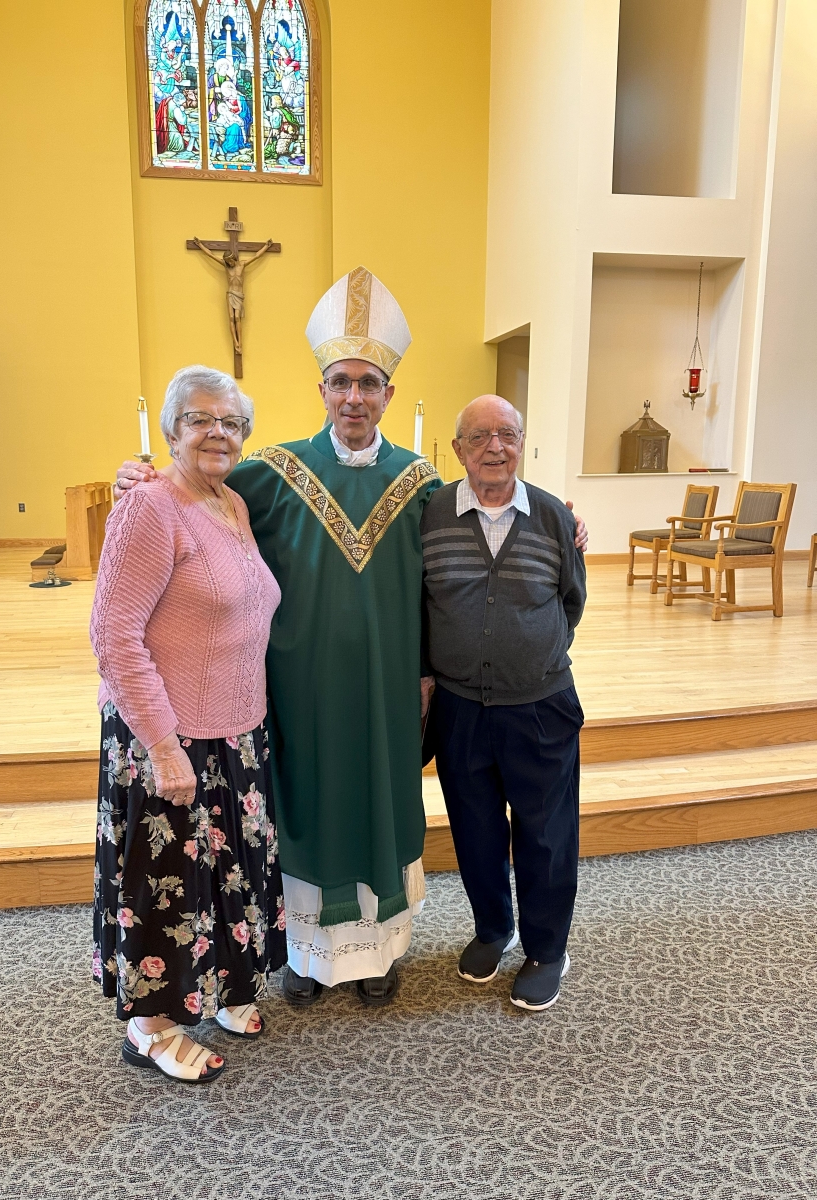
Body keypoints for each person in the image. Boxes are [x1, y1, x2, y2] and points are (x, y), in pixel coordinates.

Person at [116, 269, 589, 1009]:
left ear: (389, 395)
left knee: (381, 800)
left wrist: (563, 518)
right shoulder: (270, 473)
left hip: (390, 687)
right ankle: (304, 954)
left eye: (370, 383)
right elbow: (194, 490)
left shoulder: (423, 483)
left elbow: (497, 520)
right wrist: (137, 478)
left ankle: (377, 955)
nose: (355, 397)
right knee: (303, 807)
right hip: (297, 690)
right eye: (341, 382)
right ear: (322, 390)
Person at [91, 365, 285, 1084]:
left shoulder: (231, 502)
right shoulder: (149, 507)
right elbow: (113, 635)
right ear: (172, 429)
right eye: (201, 418)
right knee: (165, 884)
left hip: (234, 732)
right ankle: (150, 1027)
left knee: (225, 875)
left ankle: (223, 985)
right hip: (166, 738)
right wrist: (165, 748)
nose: (217, 432)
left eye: (231, 423)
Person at [421, 395, 586, 1012]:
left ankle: (547, 950)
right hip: (461, 707)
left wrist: (531, 655)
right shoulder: (433, 514)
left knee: (546, 834)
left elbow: (572, 603)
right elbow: (417, 603)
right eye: (480, 436)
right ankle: (495, 928)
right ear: (459, 447)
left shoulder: (552, 518)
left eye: (508, 434)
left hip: (540, 706)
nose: (496, 446)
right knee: (477, 831)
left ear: (522, 443)